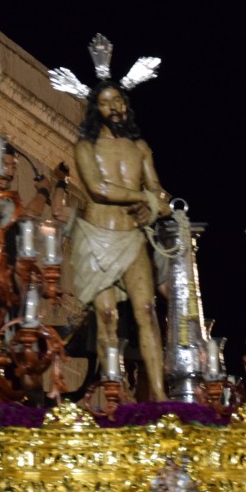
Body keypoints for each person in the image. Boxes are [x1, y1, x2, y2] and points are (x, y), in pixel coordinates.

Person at [71, 81, 171, 401]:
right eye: (104, 102)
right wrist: (142, 196)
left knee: (146, 309)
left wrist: (157, 203)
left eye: (117, 99)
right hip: (96, 237)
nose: (113, 107)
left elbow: (158, 190)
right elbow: (98, 188)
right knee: (106, 315)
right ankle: (111, 396)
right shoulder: (85, 147)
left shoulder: (140, 148)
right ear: (95, 110)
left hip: (132, 236)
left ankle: (158, 395)